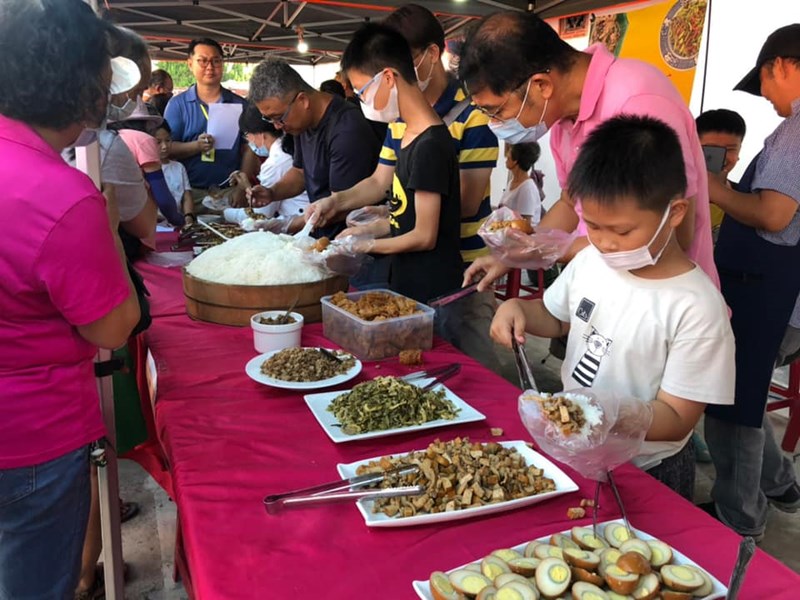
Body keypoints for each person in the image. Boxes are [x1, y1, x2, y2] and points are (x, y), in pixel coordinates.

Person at [491, 115, 734, 500]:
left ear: (674, 213)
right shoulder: (590, 262)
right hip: (576, 447)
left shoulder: (697, 308)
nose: (604, 243)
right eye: (594, 226)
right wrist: (519, 309)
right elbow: (556, 318)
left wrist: (613, 414)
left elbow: (676, 420)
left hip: (650, 469)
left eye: (621, 231)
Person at [0, 1, 140, 597]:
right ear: (86, 84)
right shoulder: (64, 195)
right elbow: (113, 328)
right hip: (32, 438)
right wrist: (107, 229)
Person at [457, 11, 718, 292]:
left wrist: (557, 249)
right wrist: (514, 255)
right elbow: (571, 204)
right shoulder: (562, 120)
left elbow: (675, 234)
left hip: (661, 305)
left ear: (542, 85)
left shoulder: (639, 101)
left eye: (497, 111)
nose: (495, 124)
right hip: (597, 298)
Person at [309, 4, 504, 372]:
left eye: (363, 90)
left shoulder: (468, 120)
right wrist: (337, 205)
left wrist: (372, 237)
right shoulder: (402, 123)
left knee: (472, 367)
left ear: (431, 55)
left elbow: (454, 207)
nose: (362, 100)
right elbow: (382, 182)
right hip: (413, 269)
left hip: (462, 271)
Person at [701, 24, 800, 542]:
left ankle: (738, 517)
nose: (765, 95)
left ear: (780, 66)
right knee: (748, 393)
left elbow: (775, 214)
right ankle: (780, 483)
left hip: (769, 289)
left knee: (731, 403)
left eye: (763, 81)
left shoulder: (797, 131)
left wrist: (716, 190)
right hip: (772, 289)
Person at [326, 22, 464, 309]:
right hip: (408, 281)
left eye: (362, 91)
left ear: (388, 78)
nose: (362, 100)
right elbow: (407, 219)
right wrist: (368, 229)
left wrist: (365, 245)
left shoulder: (430, 146)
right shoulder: (405, 134)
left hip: (434, 293)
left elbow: (424, 236)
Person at [245, 57, 381, 239]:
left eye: (279, 117)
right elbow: (300, 173)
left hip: (348, 240)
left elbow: (340, 206)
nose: (277, 126)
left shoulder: (346, 129)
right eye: (269, 119)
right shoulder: (301, 124)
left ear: (302, 100)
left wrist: (288, 224)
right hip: (320, 233)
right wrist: (272, 192)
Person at [164, 38, 257, 208]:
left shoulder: (240, 105)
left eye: (216, 61)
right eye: (203, 61)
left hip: (228, 193)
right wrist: (195, 146)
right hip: (190, 194)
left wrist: (241, 187)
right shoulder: (177, 105)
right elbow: (165, 148)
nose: (210, 67)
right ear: (190, 64)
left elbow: (250, 148)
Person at [224, 104, 309, 227]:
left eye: (247, 136)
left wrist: (224, 213)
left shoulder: (276, 162)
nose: (248, 141)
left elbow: (261, 216)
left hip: (297, 225)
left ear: (260, 134)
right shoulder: (286, 149)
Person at [695, 109, 746, 241]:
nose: (722, 157)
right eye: (712, 150)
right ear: (692, 149)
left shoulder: (748, 200)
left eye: (730, 150)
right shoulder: (670, 196)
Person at [154, 121, 195, 224]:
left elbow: (187, 196)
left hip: (177, 222)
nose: (164, 146)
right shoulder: (145, 169)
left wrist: (188, 216)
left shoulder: (179, 167)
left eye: (167, 140)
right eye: (158, 142)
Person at [499, 142, 543, 223]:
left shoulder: (527, 188)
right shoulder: (512, 182)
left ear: (515, 161)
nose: (506, 160)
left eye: (508, 158)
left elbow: (524, 224)